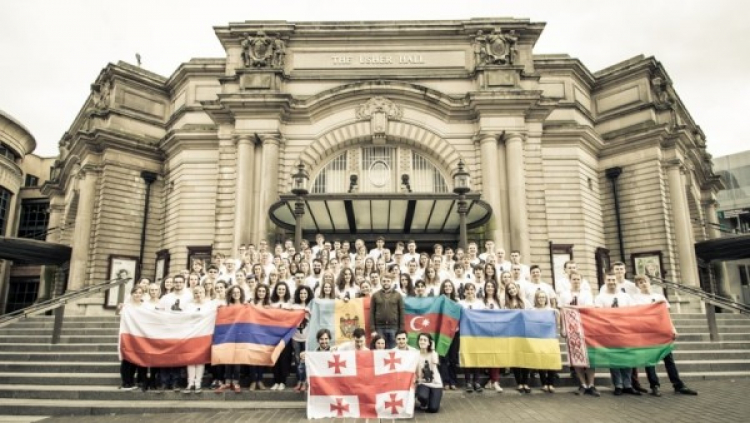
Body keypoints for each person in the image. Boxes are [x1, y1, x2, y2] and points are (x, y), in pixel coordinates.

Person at [632, 275, 697, 396]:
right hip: (648, 332)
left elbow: (666, 314)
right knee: (650, 360)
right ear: (637, 286)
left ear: (649, 282)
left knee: (669, 359)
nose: (643, 284)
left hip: (662, 330)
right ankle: (654, 385)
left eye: (644, 281)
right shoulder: (636, 299)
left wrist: (673, 328)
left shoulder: (659, 297)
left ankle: (678, 385)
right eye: (640, 283)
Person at [595, 272, 639, 396]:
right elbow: (599, 314)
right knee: (614, 358)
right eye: (609, 280)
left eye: (613, 280)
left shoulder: (625, 297)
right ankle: (618, 385)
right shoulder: (600, 297)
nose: (612, 282)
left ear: (617, 281)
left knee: (626, 358)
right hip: (610, 331)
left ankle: (628, 384)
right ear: (605, 281)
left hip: (624, 330)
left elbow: (633, 311)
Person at [183, 285, 215, 394]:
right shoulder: (189, 306)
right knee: (191, 359)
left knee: (200, 360)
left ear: (204, 293)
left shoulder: (209, 305)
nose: (198, 294)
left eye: (201, 292)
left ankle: (198, 383)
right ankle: (190, 383)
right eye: (196, 292)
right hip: (191, 335)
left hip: (203, 335)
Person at [119, 287, 147, 391]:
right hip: (129, 335)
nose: (137, 295)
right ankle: (126, 382)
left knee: (140, 358)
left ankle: (139, 381)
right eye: (135, 293)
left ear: (143, 294)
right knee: (127, 359)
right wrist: (120, 308)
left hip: (141, 335)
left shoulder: (146, 306)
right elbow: (121, 316)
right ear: (132, 294)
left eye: (140, 293)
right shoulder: (127, 307)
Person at [458, 283, 483, 392]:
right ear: (464, 292)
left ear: (475, 291)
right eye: (467, 290)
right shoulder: (460, 303)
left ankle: (476, 381)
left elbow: (484, 317)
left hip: (477, 333)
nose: (470, 291)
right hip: (465, 334)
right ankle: (468, 381)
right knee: (466, 356)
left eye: (472, 289)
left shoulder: (480, 303)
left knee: (477, 356)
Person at [533, 290, 558, 393]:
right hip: (538, 338)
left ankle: (550, 383)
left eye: (543, 297)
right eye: (539, 297)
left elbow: (557, 324)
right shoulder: (532, 310)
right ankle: (544, 383)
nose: (541, 299)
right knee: (541, 361)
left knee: (551, 360)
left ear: (546, 298)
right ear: (536, 299)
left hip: (550, 337)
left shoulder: (552, 310)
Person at [370, 276, 405, 349]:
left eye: (388, 281)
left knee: (393, 350)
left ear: (391, 282)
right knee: (380, 350)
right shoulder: (375, 295)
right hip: (379, 327)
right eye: (384, 281)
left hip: (394, 327)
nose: (386, 283)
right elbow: (372, 312)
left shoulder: (397, 295)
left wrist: (401, 329)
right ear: (381, 282)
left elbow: (401, 312)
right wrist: (373, 329)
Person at [438, 280, 459, 390]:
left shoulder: (457, 302)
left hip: (455, 333)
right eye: (445, 286)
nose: (447, 288)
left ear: (452, 288)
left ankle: (453, 381)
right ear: (442, 288)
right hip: (443, 334)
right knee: (444, 358)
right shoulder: (439, 302)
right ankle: (445, 382)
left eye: (449, 286)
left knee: (453, 358)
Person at [291, 286, 313, 393]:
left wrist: (310, 312)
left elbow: (316, 319)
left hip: (307, 337)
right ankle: (299, 381)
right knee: (297, 359)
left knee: (305, 360)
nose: (303, 295)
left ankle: (305, 381)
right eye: (301, 293)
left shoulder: (311, 306)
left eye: (305, 293)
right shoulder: (294, 306)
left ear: (308, 294)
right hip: (295, 337)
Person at [415, 333, 443, 413]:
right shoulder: (415, 354)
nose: (422, 342)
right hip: (423, 382)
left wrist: (433, 349)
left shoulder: (433, 353)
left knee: (433, 409)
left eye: (425, 340)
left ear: (429, 343)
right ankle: (424, 402)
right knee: (422, 396)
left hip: (435, 383)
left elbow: (435, 362)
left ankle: (432, 398)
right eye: (420, 340)